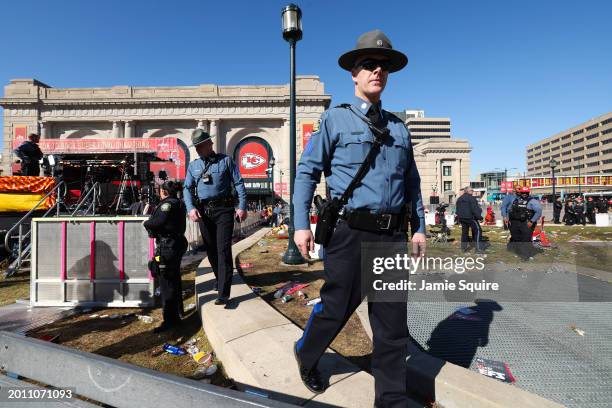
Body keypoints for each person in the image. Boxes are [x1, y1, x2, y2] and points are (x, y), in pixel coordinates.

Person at [292, 29, 426, 405]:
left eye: (383, 66)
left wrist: (419, 228)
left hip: (392, 237)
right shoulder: (335, 120)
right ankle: (306, 353)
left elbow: (412, 183)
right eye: (368, 64)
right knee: (336, 308)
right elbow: (306, 172)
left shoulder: (399, 129)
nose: (377, 71)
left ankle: (391, 399)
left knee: (392, 324)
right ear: (354, 73)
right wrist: (301, 224)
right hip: (349, 233)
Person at [183, 129, 247, 305]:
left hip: (224, 210)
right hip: (204, 212)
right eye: (196, 147)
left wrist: (241, 207)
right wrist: (190, 208)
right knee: (211, 249)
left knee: (223, 249)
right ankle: (220, 279)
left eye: (201, 146)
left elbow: (239, 183)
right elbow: (187, 188)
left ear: (209, 144)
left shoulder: (226, 161)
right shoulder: (193, 166)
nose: (198, 150)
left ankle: (223, 292)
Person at [143, 181, 188, 333]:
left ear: (164, 192)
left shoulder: (166, 204)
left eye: (160, 190)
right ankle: (178, 312)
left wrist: (147, 223)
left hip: (168, 245)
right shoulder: (179, 203)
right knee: (174, 279)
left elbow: (158, 222)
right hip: (176, 243)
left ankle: (170, 320)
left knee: (166, 283)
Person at [502, 186, 542, 260]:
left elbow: (538, 211)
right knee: (516, 238)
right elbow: (508, 209)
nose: (524, 194)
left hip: (526, 223)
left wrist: (532, 221)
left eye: (526, 193)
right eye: (523, 192)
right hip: (515, 222)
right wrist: (506, 216)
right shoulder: (516, 200)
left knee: (525, 239)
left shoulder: (533, 201)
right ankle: (519, 252)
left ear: (528, 193)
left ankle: (525, 255)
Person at [455, 186, 483, 252]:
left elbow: (457, 210)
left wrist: (459, 217)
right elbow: (475, 209)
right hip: (470, 218)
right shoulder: (471, 198)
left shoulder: (459, 199)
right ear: (468, 191)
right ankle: (478, 248)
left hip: (462, 218)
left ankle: (463, 248)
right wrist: (480, 217)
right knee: (478, 230)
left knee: (464, 232)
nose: (473, 191)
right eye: (471, 190)